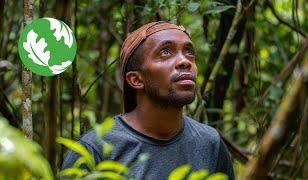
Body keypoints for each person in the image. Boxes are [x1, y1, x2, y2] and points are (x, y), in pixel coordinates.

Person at [62, 21, 234, 179]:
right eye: (166, 52)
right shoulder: (94, 150)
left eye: (189, 52)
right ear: (136, 80)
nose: (185, 61)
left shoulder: (210, 143)